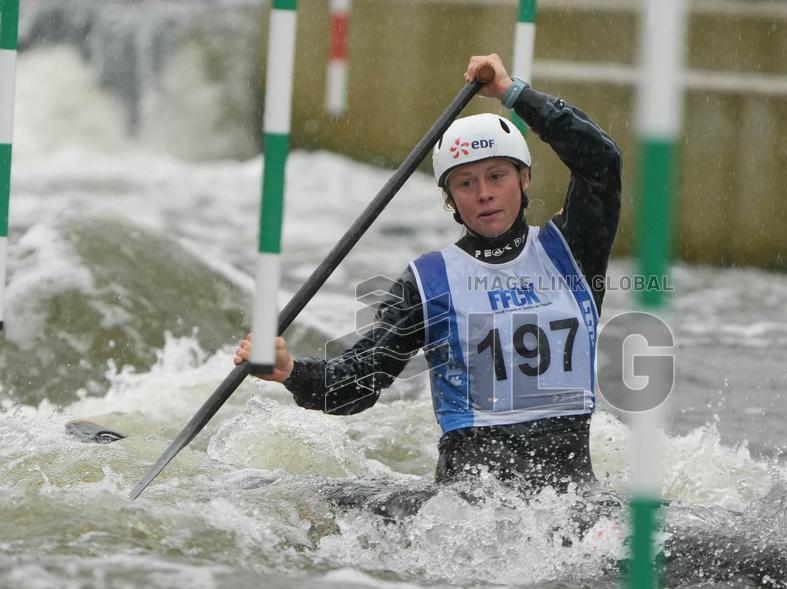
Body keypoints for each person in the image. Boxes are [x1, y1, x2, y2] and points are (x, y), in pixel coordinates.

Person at [235, 53, 621, 495]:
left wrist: (514, 93)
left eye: (497, 176)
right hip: (466, 505)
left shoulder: (572, 252)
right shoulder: (427, 283)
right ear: (449, 200)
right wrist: (290, 370)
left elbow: (601, 161)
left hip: (569, 492)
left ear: (525, 179)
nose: (485, 195)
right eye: (466, 184)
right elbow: (360, 382)